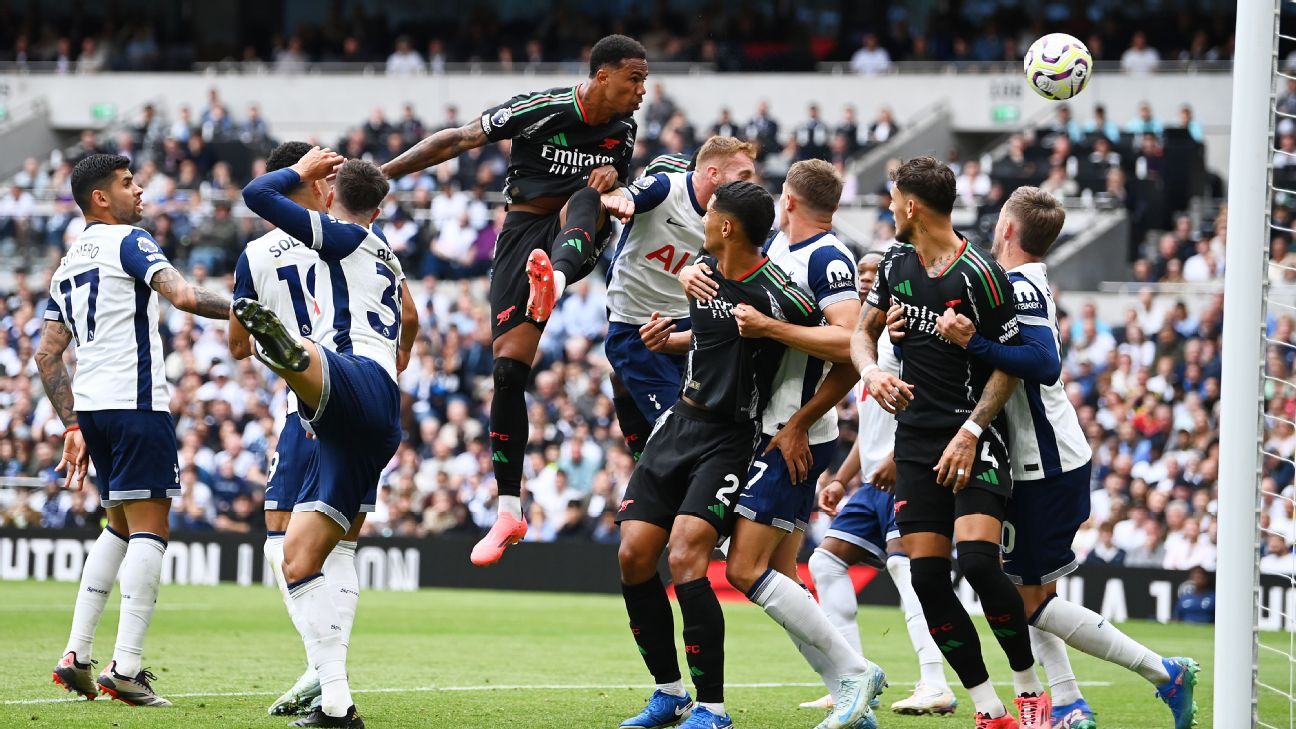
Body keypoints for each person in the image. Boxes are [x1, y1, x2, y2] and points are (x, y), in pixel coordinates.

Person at [919, 186, 1200, 729]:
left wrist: (972, 342)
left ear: (1006, 228)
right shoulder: (1016, 282)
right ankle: (1070, 703)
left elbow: (1044, 362)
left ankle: (1164, 672)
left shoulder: (1021, 285)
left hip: (1047, 464)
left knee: (1026, 602)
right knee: (1029, 590)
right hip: (1032, 461)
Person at [381, 35, 646, 566]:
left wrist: (616, 178)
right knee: (506, 374)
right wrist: (380, 177)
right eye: (634, 78)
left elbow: (617, 187)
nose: (642, 91)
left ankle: (559, 284)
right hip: (523, 234)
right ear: (601, 75)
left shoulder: (624, 130)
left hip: (571, 237)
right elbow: (456, 141)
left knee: (587, 197)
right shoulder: (538, 108)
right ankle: (508, 510)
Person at [679, 160, 884, 729]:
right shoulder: (773, 249)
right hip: (767, 426)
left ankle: (854, 672)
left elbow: (849, 345)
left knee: (745, 569)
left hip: (793, 434)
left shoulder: (828, 257)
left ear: (788, 199)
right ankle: (849, 695)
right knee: (784, 576)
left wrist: (798, 422)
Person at [615, 181, 823, 729]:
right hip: (679, 423)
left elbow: (844, 348)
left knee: (685, 555)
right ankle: (669, 693)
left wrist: (801, 422)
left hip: (731, 437)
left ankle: (712, 708)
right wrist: (676, 338)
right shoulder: (700, 276)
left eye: (708, 215)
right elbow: (718, 336)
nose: (701, 221)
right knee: (634, 554)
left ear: (727, 227)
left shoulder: (780, 294)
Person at [849, 156, 1047, 729]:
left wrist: (971, 431)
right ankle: (989, 708)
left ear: (912, 205)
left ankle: (1031, 690)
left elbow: (1008, 369)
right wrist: (872, 373)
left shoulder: (982, 274)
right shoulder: (893, 264)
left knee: (981, 565)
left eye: (892, 197)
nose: (887, 206)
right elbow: (861, 332)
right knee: (928, 577)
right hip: (914, 442)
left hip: (973, 434)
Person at [41, 154, 231, 706]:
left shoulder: (67, 262)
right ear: (101, 198)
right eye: (128, 184)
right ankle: (126, 667)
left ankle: (76, 653)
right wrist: (251, 310)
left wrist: (72, 423)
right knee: (150, 529)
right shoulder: (130, 240)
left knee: (119, 527)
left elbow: (47, 356)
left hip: (96, 411)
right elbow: (186, 296)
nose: (139, 190)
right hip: (137, 403)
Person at [237, 146, 417, 729]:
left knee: (311, 358)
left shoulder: (342, 237)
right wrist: (400, 361)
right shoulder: (385, 253)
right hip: (376, 414)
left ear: (332, 194)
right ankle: (336, 704)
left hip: (349, 381)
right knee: (299, 559)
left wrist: (302, 170)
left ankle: (293, 357)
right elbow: (410, 319)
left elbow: (256, 196)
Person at [807, 251, 958, 717]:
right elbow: (871, 429)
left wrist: (896, 459)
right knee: (825, 562)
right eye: (862, 274)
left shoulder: (905, 335)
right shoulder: (866, 345)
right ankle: (850, 677)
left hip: (910, 471)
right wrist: (839, 478)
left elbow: (931, 403)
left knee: (906, 570)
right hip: (873, 483)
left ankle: (935, 682)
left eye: (876, 272)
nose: (868, 278)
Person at [604, 137, 756, 461]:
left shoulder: (729, 220)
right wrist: (618, 199)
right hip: (637, 324)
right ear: (713, 173)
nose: (751, 185)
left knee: (703, 424)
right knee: (679, 431)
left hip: (688, 324)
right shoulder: (665, 189)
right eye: (743, 176)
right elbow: (621, 196)